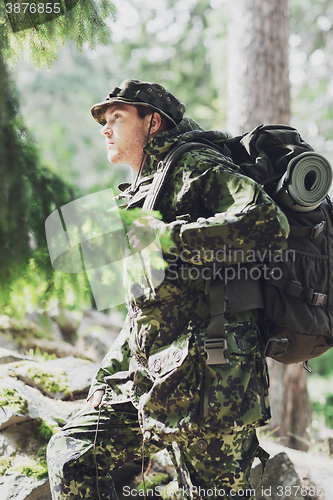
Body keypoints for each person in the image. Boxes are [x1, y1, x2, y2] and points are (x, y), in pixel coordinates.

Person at [47, 79, 289, 500]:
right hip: (152, 377)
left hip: (215, 383)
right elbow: (145, 309)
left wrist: (169, 239)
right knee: (73, 455)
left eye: (116, 117)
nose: (105, 128)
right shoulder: (145, 190)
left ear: (152, 121)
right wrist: (107, 377)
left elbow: (268, 223)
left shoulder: (196, 165)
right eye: (103, 120)